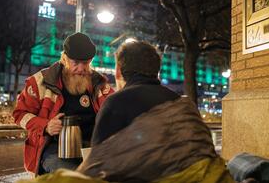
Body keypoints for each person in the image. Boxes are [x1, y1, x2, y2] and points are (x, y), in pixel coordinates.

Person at [77, 41, 235, 183]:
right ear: (156, 72)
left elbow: (98, 165)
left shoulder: (115, 102)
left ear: (118, 71)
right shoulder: (181, 101)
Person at [13, 32, 113, 176]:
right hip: (53, 149)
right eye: (75, 63)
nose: (81, 68)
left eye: (85, 63)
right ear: (64, 58)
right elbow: (19, 114)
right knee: (74, 176)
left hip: (91, 149)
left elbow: (114, 109)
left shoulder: (98, 84)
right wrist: (46, 126)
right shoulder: (40, 82)